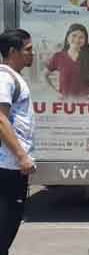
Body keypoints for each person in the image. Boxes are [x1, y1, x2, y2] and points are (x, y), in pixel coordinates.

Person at [0, 29, 36, 255]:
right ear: (13, 51)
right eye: (28, 49)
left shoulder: (12, 76)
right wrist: (22, 156)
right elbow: (0, 118)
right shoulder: (5, 77)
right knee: (5, 227)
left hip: (10, 165)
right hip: (7, 166)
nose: (32, 54)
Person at [44, 24, 89, 100]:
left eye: (81, 37)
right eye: (74, 35)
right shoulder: (58, 57)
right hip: (64, 104)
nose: (77, 40)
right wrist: (56, 93)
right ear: (67, 37)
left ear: (85, 40)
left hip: (85, 105)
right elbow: (44, 76)